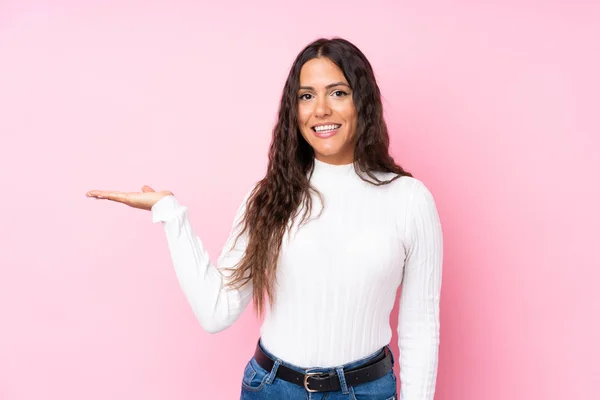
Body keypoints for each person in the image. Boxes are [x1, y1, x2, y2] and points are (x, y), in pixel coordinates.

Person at [86, 37, 443, 400]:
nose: (320, 109)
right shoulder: (270, 197)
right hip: (274, 389)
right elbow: (216, 311)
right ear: (294, 110)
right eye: (306, 96)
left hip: (367, 391)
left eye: (337, 92)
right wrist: (170, 214)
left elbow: (420, 327)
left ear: (362, 103)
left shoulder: (409, 200)